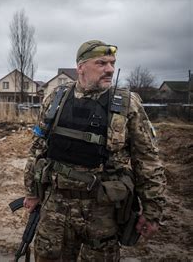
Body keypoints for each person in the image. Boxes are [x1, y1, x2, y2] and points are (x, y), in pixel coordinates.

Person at [23, 40, 166, 261]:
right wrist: (32, 192)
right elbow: (37, 148)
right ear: (81, 67)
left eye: (112, 63)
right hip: (55, 207)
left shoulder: (128, 104)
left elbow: (147, 160)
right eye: (101, 63)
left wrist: (152, 211)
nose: (109, 69)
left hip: (103, 211)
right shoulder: (55, 99)